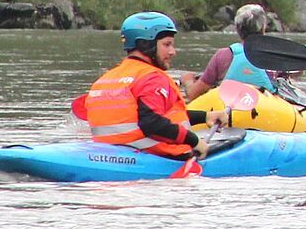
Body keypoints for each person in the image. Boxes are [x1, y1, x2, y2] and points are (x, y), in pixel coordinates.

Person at [74, 12, 227, 157]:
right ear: (146, 44)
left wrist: (205, 116)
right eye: (167, 45)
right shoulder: (152, 78)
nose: (173, 52)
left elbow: (154, 117)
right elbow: (152, 123)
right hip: (153, 157)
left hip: (110, 154)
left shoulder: (106, 79)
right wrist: (194, 141)